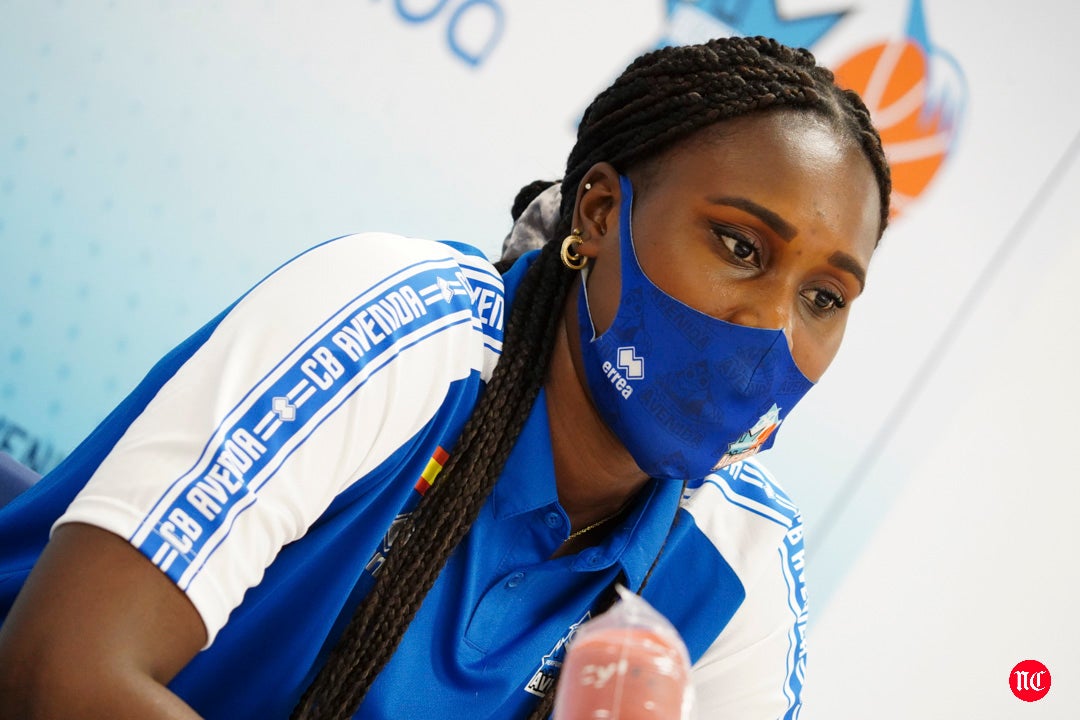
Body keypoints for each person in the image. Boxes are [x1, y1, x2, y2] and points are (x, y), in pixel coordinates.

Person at [0, 35, 890, 719]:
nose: (769, 325)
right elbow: (61, 671)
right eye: (739, 247)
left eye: (823, 296)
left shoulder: (740, 563)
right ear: (602, 211)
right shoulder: (403, 327)